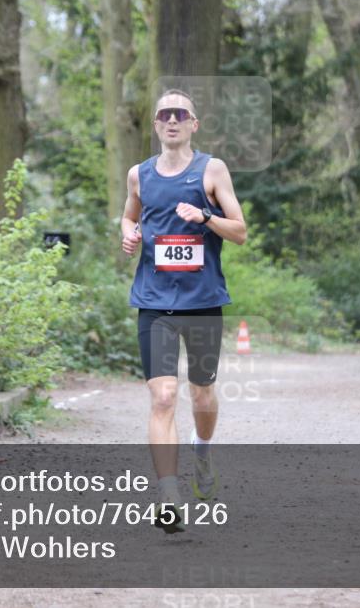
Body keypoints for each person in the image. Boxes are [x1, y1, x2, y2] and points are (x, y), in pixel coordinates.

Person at [120, 88, 247, 534]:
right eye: (164, 114)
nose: (172, 120)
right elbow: (129, 216)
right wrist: (129, 235)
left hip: (202, 302)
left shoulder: (211, 170)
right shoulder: (138, 174)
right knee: (163, 396)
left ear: (193, 124)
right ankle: (169, 496)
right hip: (153, 302)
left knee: (202, 394)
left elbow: (240, 231)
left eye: (181, 114)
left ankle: (203, 450)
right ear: (156, 124)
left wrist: (206, 218)